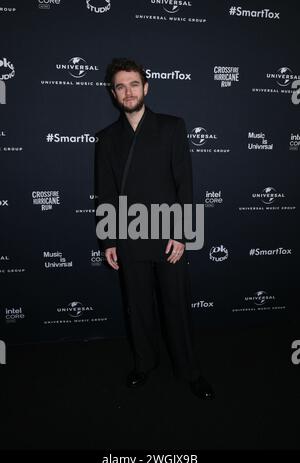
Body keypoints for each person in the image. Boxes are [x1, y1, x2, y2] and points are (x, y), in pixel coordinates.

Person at [95, 58, 214, 399]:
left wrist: (184, 233)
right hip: (129, 237)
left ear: (146, 88)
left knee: (176, 304)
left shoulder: (172, 127)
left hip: (168, 235)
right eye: (120, 86)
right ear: (114, 93)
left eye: (134, 84)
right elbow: (104, 193)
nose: (128, 91)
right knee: (138, 305)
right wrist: (108, 240)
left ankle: (190, 370)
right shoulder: (106, 139)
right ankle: (144, 363)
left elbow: (185, 184)